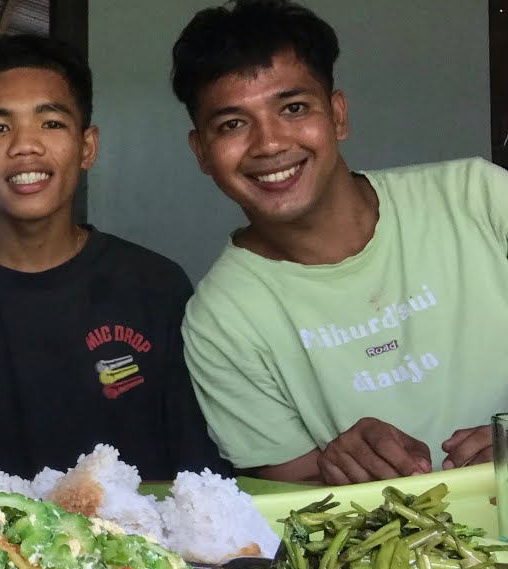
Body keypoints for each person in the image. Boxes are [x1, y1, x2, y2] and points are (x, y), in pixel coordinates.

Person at [173, 0, 508, 485]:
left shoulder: (478, 196)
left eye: (293, 107)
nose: (269, 143)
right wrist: (332, 466)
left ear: (337, 115)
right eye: (232, 124)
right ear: (201, 152)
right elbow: (288, 484)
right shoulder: (220, 320)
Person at [0, 35, 227, 481]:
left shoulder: (156, 285)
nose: (25, 146)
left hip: (139, 546)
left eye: (50, 123)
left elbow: (196, 470)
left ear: (88, 146)